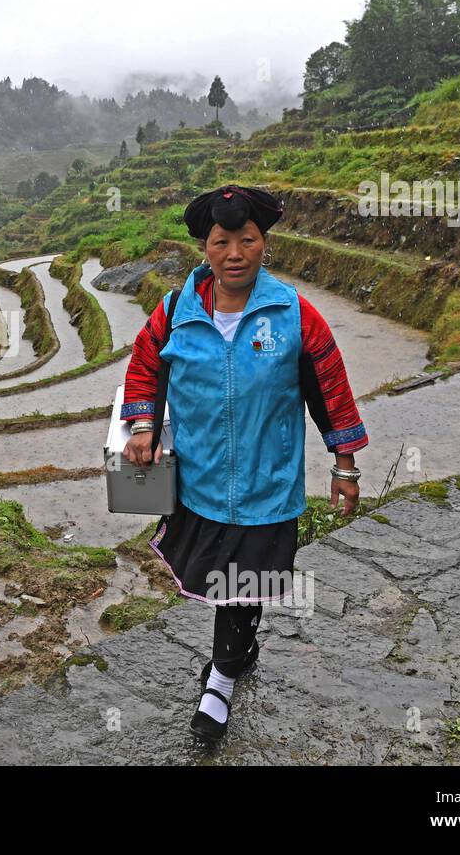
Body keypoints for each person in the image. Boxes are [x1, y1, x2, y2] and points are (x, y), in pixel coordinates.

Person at [120, 183, 368, 744]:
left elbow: (330, 389)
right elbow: (144, 366)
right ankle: (242, 650)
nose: (235, 253)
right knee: (228, 582)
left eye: (247, 240)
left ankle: (221, 681)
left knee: (242, 582)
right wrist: (141, 427)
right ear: (205, 248)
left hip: (266, 481)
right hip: (201, 481)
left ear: (265, 244)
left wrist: (344, 465)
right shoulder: (174, 313)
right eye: (222, 241)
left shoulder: (292, 314)